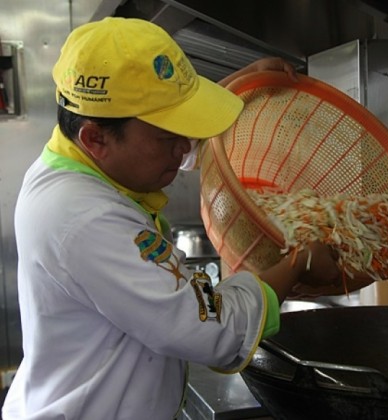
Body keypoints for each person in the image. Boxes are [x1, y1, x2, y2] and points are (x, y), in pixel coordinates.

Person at [2, 17, 342, 420]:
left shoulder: (79, 157)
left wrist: (241, 82)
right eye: (168, 139)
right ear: (95, 138)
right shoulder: (83, 217)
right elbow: (207, 327)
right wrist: (297, 263)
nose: (183, 149)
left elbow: (172, 139)